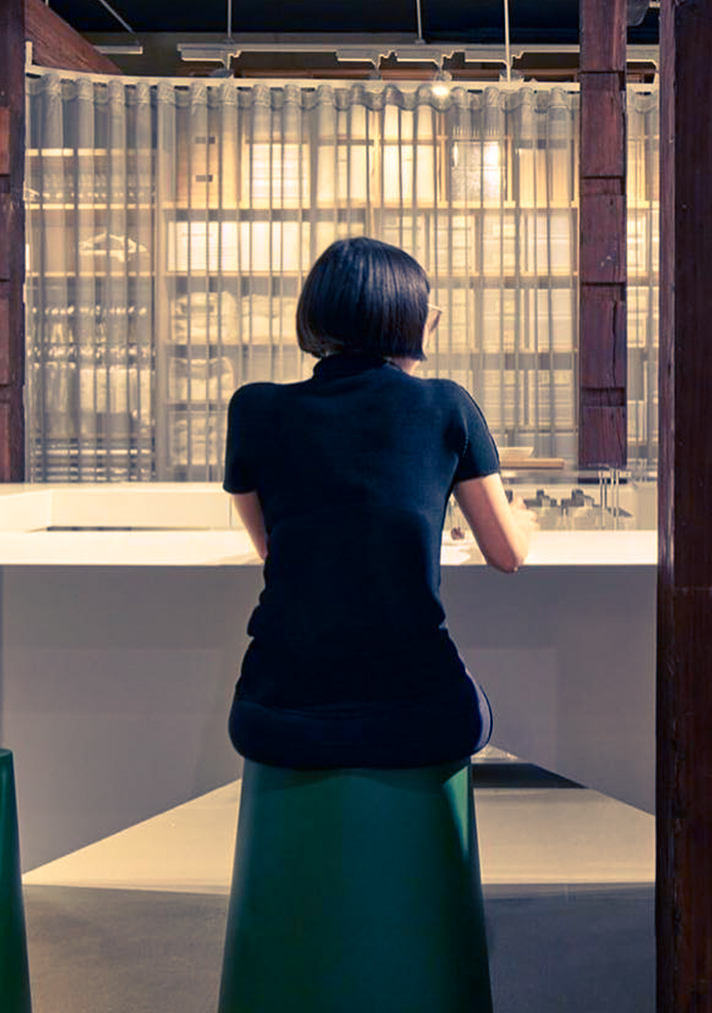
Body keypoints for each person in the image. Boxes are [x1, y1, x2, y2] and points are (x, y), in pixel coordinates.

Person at [223, 236, 537, 769]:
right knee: (469, 713)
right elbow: (507, 555)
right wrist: (523, 520)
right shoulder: (447, 405)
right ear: (410, 319)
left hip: (274, 713)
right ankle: (426, 849)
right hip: (421, 714)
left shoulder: (254, 409)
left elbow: (270, 549)